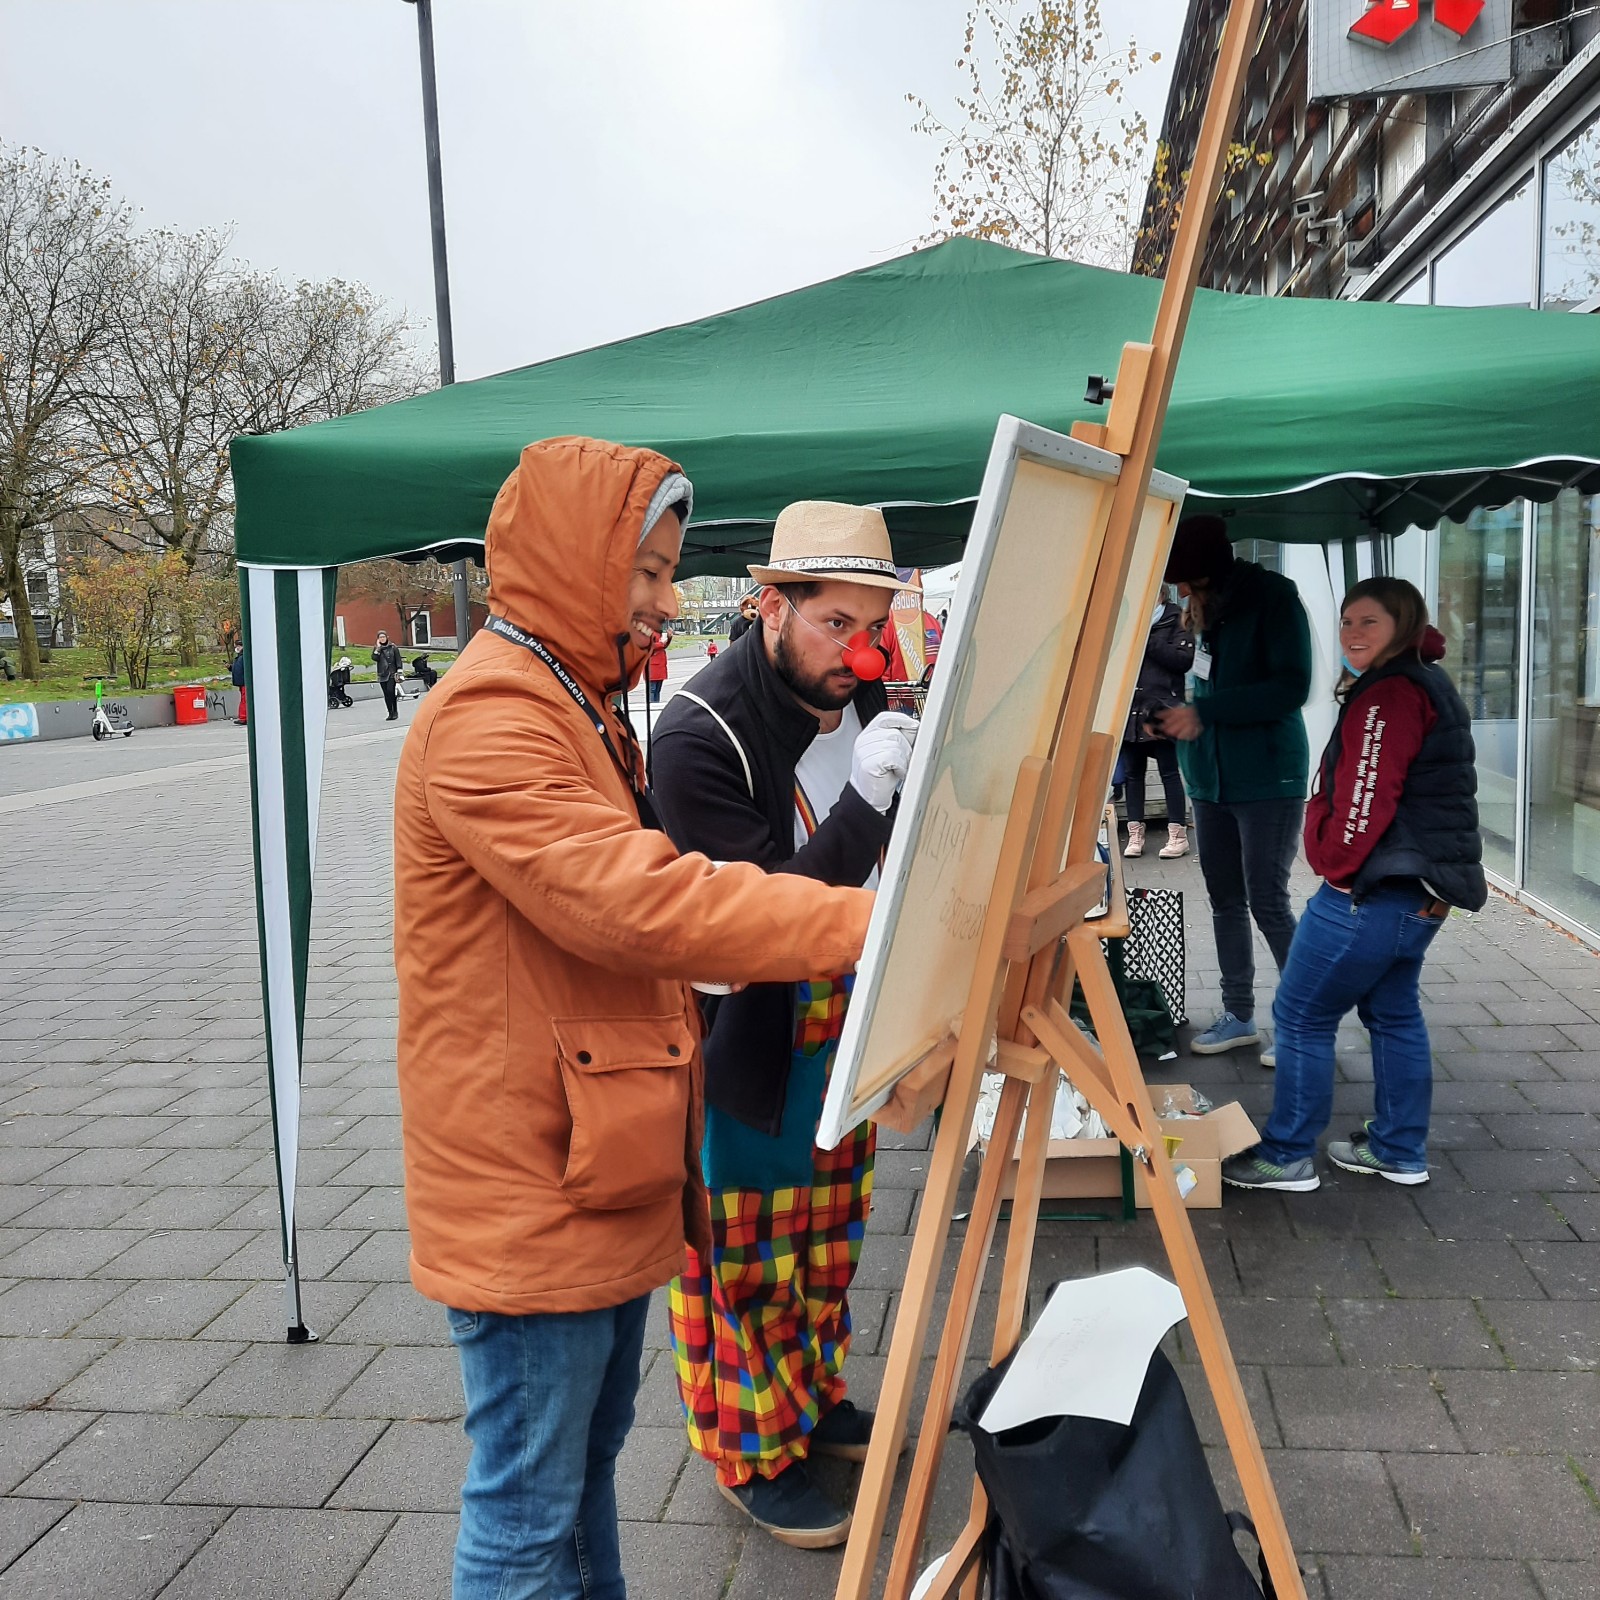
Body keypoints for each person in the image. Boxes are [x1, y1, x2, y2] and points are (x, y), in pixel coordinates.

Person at [392, 437, 875, 1600]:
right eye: (647, 575)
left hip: (585, 1158)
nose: (664, 603)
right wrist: (875, 925)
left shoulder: (564, 698)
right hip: (531, 1181)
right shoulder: (492, 720)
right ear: (570, 563)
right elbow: (638, 902)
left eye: (665, 576)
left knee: (577, 1483)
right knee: (524, 1513)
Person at [650, 501, 920, 1549]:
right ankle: (746, 1451)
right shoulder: (696, 733)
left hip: (838, 1019)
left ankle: (807, 1405)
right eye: (834, 624)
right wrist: (863, 804)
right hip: (744, 1035)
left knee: (828, 1239)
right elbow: (759, 930)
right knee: (744, 1262)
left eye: (870, 625)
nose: (858, 651)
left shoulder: (863, 695)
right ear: (770, 607)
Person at [1221, 578, 1485, 1192]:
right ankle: (1398, 1148)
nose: (1353, 634)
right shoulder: (1421, 680)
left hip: (1373, 891)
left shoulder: (1390, 695)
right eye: (1346, 622)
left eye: (1369, 622)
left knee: (1300, 1013)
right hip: (1420, 893)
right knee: (1393, 1014)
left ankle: (1286, 1154)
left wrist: (1334, 865)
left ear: (1403, 625)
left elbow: (1367, 796)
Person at [1151, 515, 1311, 1068]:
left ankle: (1304, 1025)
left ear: (1208, 571)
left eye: (1186, 582)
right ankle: (1239, 1016)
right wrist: (1175, 719)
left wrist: (1207, 712)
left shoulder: (1273, 597)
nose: (1180, 593)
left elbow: (1293, 686)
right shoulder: (1203, 608)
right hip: (1210, 778)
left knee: (1266, 898)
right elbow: (1204, 681)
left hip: (1267, 776)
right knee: (1225, 900)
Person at [1121, 591, 1193, 859]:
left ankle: (1178, 835)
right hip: (1132, 708)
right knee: (1133, 774)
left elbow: (1182, 660)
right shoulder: (1128, 619)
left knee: (1169, 772)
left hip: (1163, 709)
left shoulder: (1178, 619)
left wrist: (1146, 640)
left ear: (1160, 593)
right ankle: (1135, 834)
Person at [373, 629, 403, 720]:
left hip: (392, 673)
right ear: (378, 639)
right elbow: (374, 658)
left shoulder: (393, 647)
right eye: (380, 637)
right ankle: (390, 712)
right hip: (382, 674)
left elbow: (398, 659)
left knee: (391, 691)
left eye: (383, 637)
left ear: (387, 637)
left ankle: (395, 711)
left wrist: (399, 670)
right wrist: (378, 648)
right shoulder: (377, 648)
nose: (382, 639)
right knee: (386, 694)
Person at [647, 629, 670, 703]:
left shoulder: (658, 632)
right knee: (652, 690)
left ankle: (656, 704)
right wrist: (661, 643)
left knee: (657, 690)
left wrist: (669, 638)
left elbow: (664, 646)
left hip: (660, 665)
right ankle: (652, 706)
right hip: (652, 666)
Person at [230, 642, 248, 725]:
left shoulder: (242, 657)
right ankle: (243, 717)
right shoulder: (241, 657)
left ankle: (243, 717)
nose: (236, 648)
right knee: (244, 699)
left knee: (244, 700)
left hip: (243, 681)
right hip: (241, 681)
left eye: (237, 646)